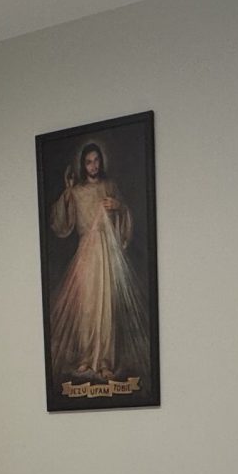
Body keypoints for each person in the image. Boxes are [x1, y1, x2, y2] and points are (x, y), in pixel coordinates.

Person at [46, 142, 152, 384]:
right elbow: (61, 222)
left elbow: (124, 217)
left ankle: (104, 361)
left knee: (107, 306)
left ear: (101, 162)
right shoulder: (76, 191)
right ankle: (86, 356)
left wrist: (119, 207)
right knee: (87, 306)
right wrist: (67, 192)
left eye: (96, 161)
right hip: (86, 252)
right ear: (83, 165)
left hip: (107, 251)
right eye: (88, 162)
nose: (93, 166)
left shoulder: (109, 186)